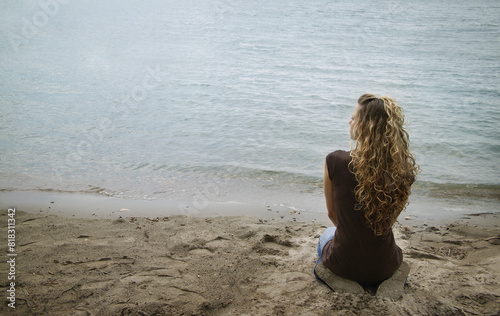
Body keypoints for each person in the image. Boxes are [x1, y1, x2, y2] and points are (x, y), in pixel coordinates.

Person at [314, 94, 419, 297]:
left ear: (367, 125)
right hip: (384, 265)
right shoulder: (404, 171)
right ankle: (395, 278)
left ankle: (336, 278)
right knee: (394, 254)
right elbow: (388, 222)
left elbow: (332, 215)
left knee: (325, 236)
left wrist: (352, 234)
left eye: (354, 118)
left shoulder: (334, 161)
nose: (349, 121)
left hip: (344, 263)